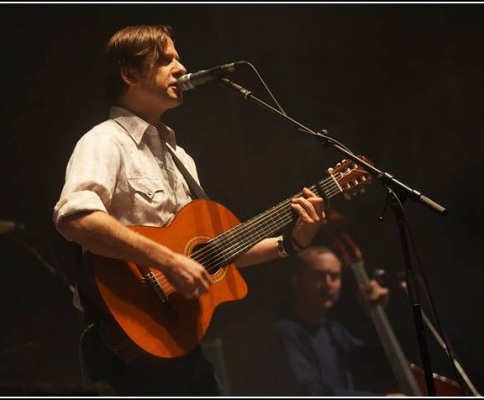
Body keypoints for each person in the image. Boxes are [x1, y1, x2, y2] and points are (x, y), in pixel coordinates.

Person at [52, 24, 326, 396]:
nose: (181, 68)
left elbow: (212, 252)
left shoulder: (182, 159)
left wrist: (291, 243)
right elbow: (76, 218)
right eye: (165, 60)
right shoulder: (104, 141)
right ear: (129, 74)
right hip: (126, 341)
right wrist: (168, 261)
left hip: (179, 340)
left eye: (178, 58)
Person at [277, 243, 404, 396]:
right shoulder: (287, 332)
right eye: (319, 275)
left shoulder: (336, 331)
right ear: (297, 282)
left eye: (334, 276)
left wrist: (378, 314)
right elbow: (310, 391)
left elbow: (375, 363)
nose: (328, 284)